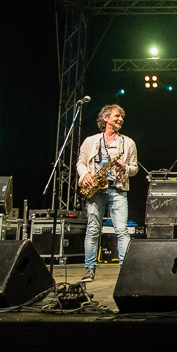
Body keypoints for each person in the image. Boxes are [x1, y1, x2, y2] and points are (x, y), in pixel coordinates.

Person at [77, 104, 137, 283]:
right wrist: (85, 174)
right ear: (105, 118)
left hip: (118, 189)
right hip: (96, 189)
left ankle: (125, 271)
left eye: (122, 117)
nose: (120, 119)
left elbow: (134, 168)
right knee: (93, 229)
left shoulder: (128, 142)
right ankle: (89, 269)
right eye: (117, 116)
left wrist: (124, 168)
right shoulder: (90, 141)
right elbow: (80, 163)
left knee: (122, 230)